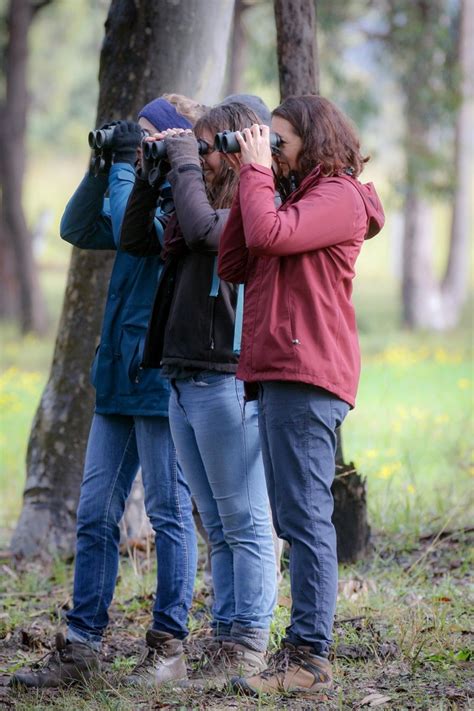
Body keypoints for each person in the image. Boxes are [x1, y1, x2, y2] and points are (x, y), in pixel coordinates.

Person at [10, 96, 202, 690]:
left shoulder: (180, 209)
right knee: (94, 515)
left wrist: (126, 167)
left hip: (159, 376)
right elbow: (75, 226)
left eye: (146, 139)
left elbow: (128, 229)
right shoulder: (132, 188)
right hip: (116, 377)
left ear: (172, 146)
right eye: (132, 138)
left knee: (169, 516)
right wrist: (103, 166)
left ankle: (168, 647)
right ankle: (81, 646)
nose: (135, 148)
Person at [217, 95, 385, 697]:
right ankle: (302, 654)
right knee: (294, 516)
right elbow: (236, 258)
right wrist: (248, 176)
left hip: (307, 371)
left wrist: (258, 174)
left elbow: (267, 233)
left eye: (279, 140)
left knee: (307, 518)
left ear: (312, 141)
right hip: (282, 369)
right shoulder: (290, 195)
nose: (273, 150)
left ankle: (310, 659)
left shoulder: (337, 197)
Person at [120, 99, 277, 686]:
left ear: (238, 149)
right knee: (216, 521)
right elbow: (136, 237)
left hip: (224, 374)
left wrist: (183, 162)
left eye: (208, 148)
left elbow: (215, 237)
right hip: (184, 373)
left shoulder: (250, 202)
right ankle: (226, 638)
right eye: (196, 147)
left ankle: (249, 643)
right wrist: (149, 172)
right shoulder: (197, 202)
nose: (199, 158)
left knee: (244, 519)